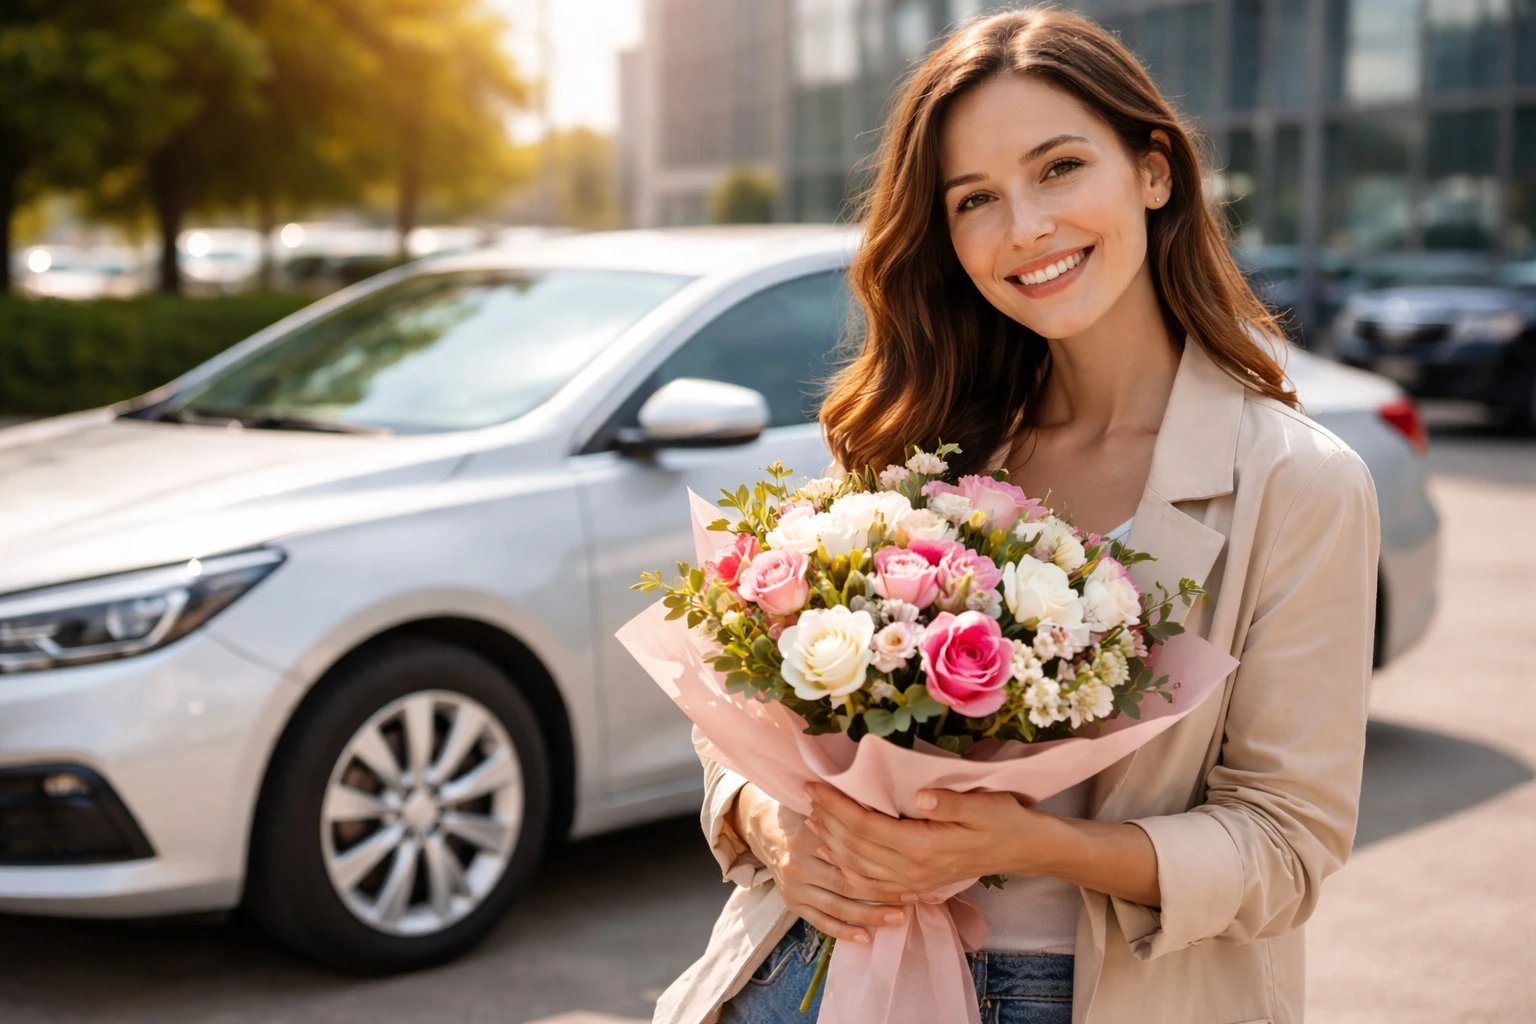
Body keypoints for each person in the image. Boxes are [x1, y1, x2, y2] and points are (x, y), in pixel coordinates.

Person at [653, 8, 1380, 1024]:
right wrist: (772, 823)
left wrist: (1025, 844)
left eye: (1059, 168)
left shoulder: (1298, 483)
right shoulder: (920, 433)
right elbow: (746, 706)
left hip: (1085, 993)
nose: (1026, 228)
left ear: (1155, 171)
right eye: (975, 199)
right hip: (812, 966)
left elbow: (1286, 845)